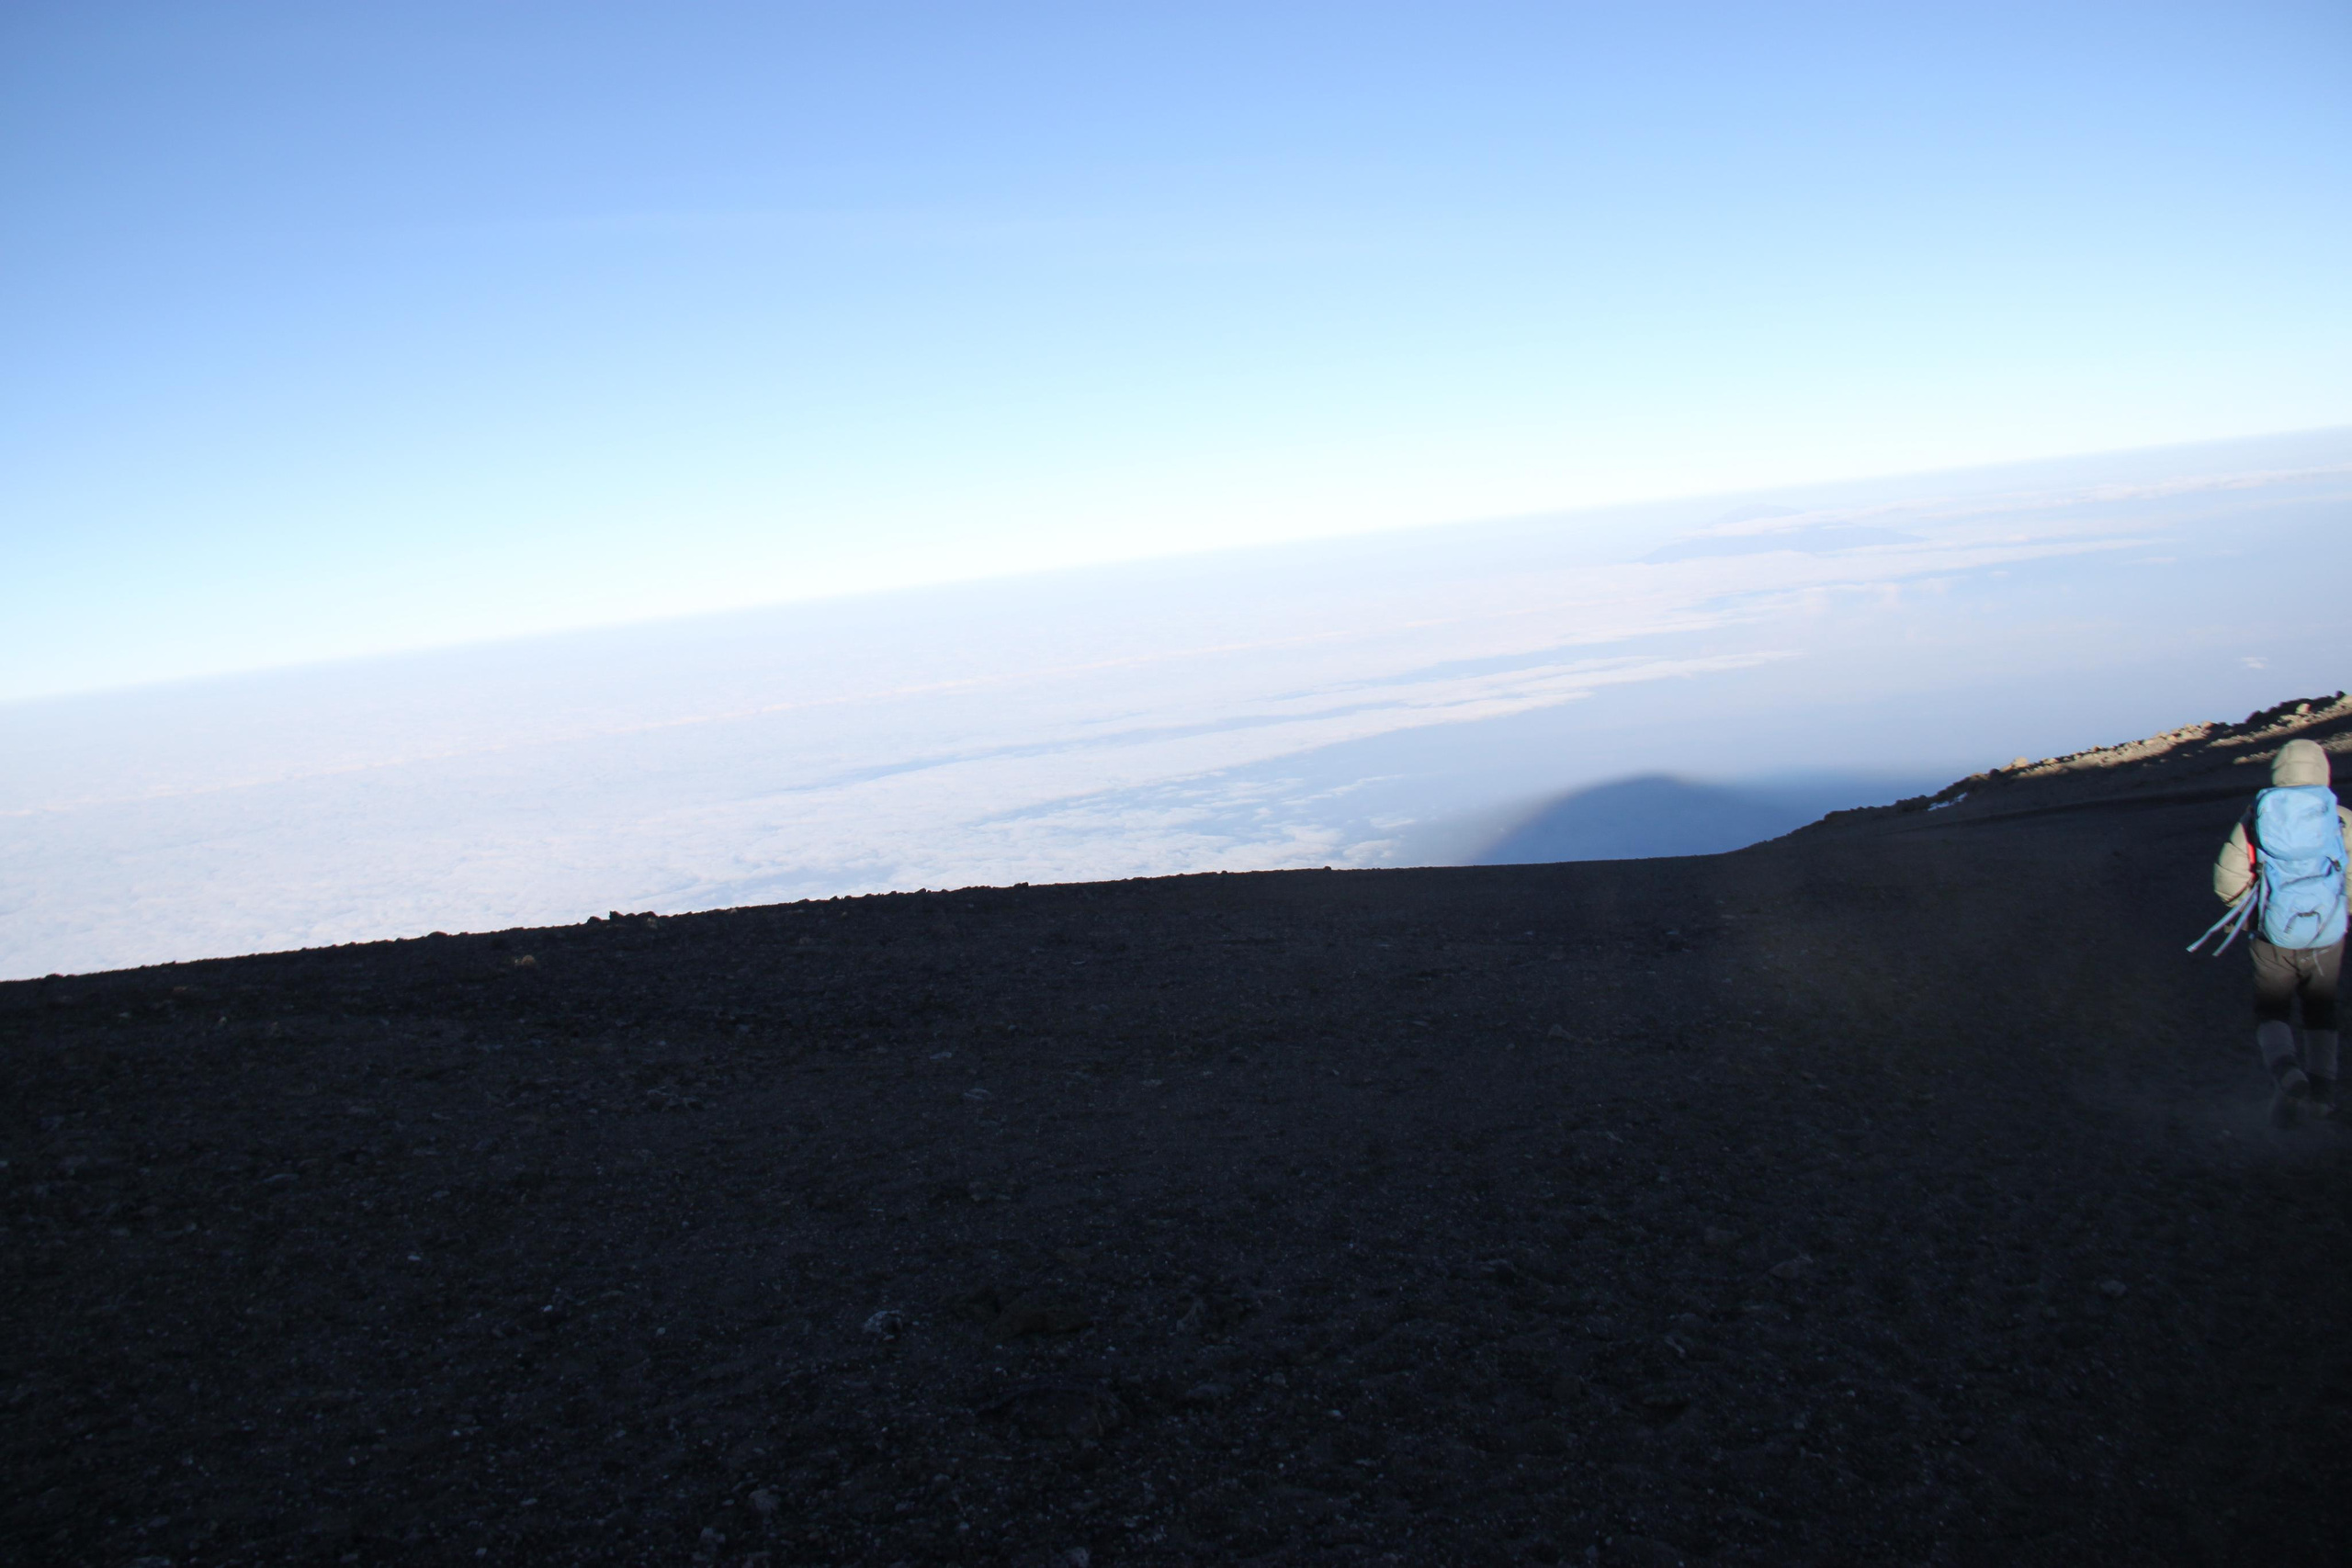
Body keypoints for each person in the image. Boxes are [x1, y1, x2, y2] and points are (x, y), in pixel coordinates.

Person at [2211, 738, 2352, 1126]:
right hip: (2327, 935)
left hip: (2273, 936)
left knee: (2272, 1009)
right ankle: (2323, 1092)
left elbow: (2227, 882)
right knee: (2320, 1010)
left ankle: (2289, 1075)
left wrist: (2257, 914)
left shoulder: (2256, 818)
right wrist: (2342, 913)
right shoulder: (2337, 817)